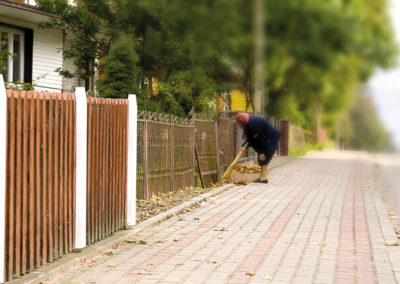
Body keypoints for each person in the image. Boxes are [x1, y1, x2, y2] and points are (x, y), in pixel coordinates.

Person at [234, 112, 281, 183]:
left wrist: (262, 152)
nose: (239, 126)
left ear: (242, 121)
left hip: (271, 138)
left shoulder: (253, 124)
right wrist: (243, 146)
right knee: (261, 159)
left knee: (265, 157)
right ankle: (261, 177)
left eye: (239, 124)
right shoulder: (248, 124)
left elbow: (261, 138)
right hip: (265, 138)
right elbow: (250, 138)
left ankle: (264, 178)